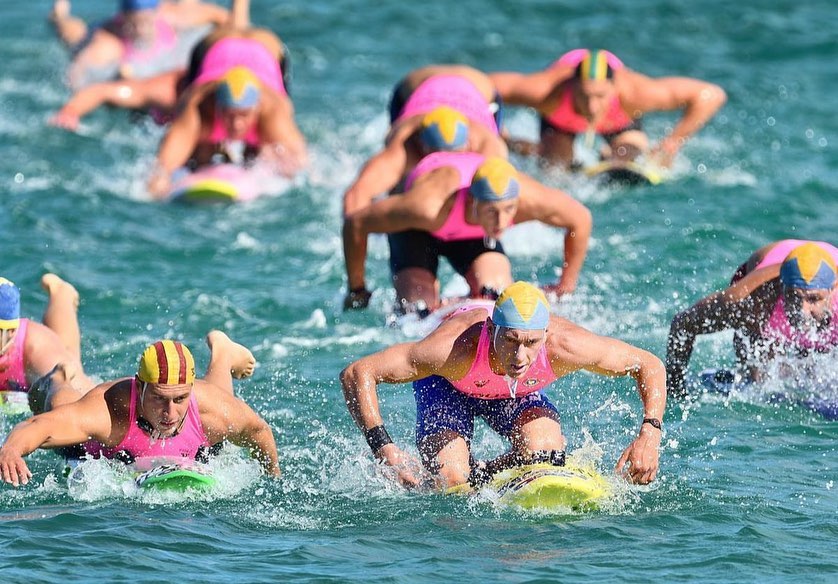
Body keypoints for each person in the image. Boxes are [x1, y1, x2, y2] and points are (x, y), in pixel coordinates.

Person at [340, 281, 666, 488]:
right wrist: (386, 451)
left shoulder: (566, 345)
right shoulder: (452, 349)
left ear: (546, 336)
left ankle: (486, 472)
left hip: (512, 392)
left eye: (531, 343)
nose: (521, 356)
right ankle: (462, 474)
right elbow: (358, 372)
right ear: (491, 329)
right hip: (448, 385)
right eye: (510, 340)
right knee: (450, 481)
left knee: (546, 454)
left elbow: (649, 365)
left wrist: (649, 435)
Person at [0, 333, 278, 487]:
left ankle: (222, 351)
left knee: (221, 413)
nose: (169, 412)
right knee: (62, 407)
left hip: (198, 436)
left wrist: (273, 477)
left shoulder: (209, 408)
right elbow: (39, 426)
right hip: (106, 451)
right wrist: (12, 449)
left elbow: (258, 431)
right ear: (140, 386)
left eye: (180, 399)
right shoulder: (110, 410)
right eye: (158, 398)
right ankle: (60, 375)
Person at [342, 154, 592, 311]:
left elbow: (580, 219)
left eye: (509, 210)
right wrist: (357, 290)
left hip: (473, 235)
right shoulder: (427, 206)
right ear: (472, 201)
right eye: (493, 211)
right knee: (415, 313)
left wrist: (565, 287)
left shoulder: (528, 200)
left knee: (495, 298)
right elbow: (355, 224)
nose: (503, 221)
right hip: (416, 230)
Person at [490, 48, 727, 168]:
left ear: (614, 88)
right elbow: (483, 87)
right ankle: (513, 144)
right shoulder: (546, 91)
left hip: (617, 121)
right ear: (572, 87)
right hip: (561, 119)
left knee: (627, 160)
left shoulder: (635, 93)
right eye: (585, 96)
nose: (593, 107)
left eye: (601, 96)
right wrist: (492, 131)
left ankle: (611, 154)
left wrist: (673, 142)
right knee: (555, 169)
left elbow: (711, 96)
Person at [147, 25, 307, 197]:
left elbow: (302, 166)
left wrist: (278, 164)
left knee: (266, 150)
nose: (236, 124)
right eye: (228, 115)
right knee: (194, 154)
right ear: (217, 107)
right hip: (212, 46)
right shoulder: (198, 105)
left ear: (256, 109)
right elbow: (162, 169)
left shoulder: (273, 110)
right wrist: (160, 183)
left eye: (244, 115)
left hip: (267, 48)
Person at [666, 240, 838, 397]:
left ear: (832, 290)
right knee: (758, 378)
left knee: (816, 362)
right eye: (793, 296)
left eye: (814, 299)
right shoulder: (750, 300)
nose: (802, 311)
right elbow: (682, 324)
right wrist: (675, 390)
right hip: (769, 264)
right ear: (781, 287)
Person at [343, 64, 509, 217]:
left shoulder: (486, 144)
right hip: (413, 88)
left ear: (467, 146)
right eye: (435, 160)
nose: (441, 167)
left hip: (481, 90)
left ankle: (515, 142)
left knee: (491, 180)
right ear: (422, 146)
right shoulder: (404, 144)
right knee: (398, 187)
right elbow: (356, 195)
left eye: (452, 157)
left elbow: (505, 193)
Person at [50, 0, 229, 91]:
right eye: (133, 24)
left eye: (145, 22)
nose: (139, 29)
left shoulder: (172, 16)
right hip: (96, 35)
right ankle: (59, 16)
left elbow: (222, 17)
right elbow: (75, 76)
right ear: (124, 19)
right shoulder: (110, 42)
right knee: (73, 36)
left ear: (155, 13)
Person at [0, 275, 95, 408]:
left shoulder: (37, 350)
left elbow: (86, 403)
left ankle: (61, 293)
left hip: (42, 351)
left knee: (70, 364)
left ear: (11, 332)